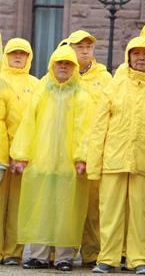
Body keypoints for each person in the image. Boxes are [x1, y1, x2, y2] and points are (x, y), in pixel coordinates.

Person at [87, 37, 145, 275]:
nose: (141, 58)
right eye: (137, 54)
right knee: (110, 212)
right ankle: (108, 258)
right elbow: (98, 129)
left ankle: (139, 259)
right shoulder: (113, 88)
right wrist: (95, 164)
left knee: (142, 215)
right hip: (114, 161)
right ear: (129, 57)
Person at [10, 45, 91, 271]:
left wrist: (82, 157)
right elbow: (28, 124)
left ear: (74, 68)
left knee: (67, 210)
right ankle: (38, 255)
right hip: (41, 162)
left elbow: (85, 128)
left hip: (69, 167)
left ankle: (64, 257)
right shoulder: (41, 91)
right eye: (60, 63)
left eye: (68, 64)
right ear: (52, 65)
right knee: (40, 208)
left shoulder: (82, 95)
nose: (63, 67)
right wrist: (21, 155)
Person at [67, 30, 112, 267]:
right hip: (67, 151)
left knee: (95, 208)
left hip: (95, 150)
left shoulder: (104, 78)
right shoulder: (62, 73)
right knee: (67, 204)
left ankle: (92, 254)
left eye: (88, 47)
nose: (85, 51)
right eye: (80, 47)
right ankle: (63, 252)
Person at [0, 38, 39, 266]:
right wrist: (6, 156)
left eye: (22, 54)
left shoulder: (36, 84)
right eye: (14, 53)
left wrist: (24, 154)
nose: (18, 57)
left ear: (29, 57)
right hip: (4, 157)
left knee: (18, 207)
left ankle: (13, 252)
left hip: (25, 158)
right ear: (6, 55)